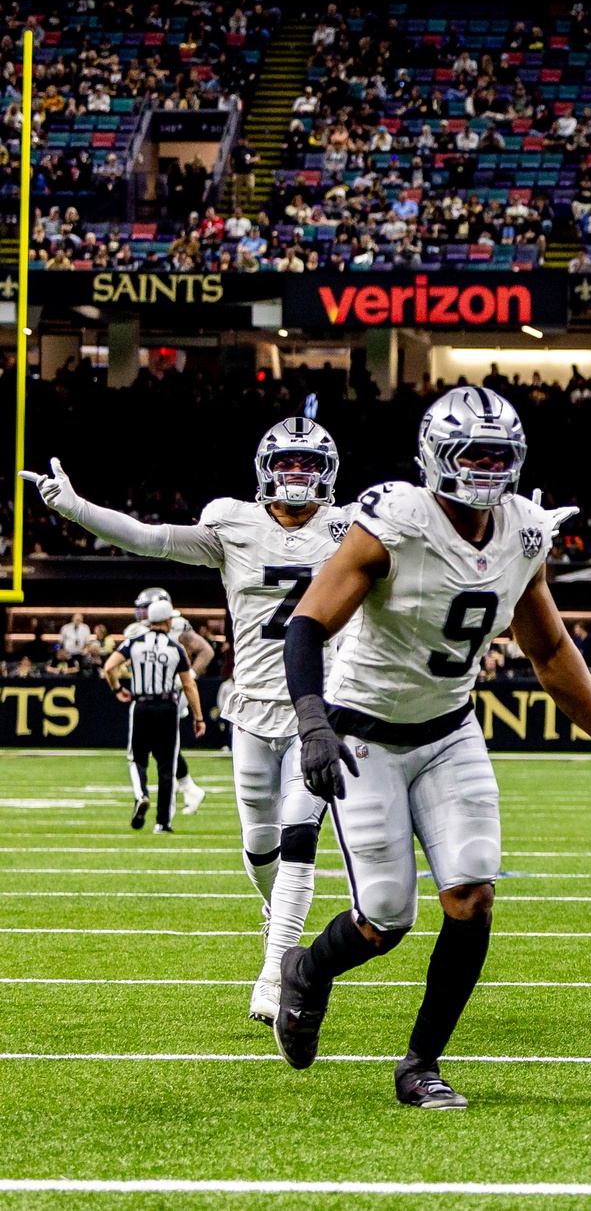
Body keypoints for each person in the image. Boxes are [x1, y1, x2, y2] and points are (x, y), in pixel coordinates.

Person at [274, 387, 591, 1107]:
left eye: (498, 456)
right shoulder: (393, 520)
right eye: (471, 454)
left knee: (472, 897)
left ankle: (420, 1063)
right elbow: (307, 623)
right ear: (435, 455)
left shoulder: (524, 531)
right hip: (364, 732)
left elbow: (549, 647)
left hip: (448, 728)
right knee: (385, 918)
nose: (484, 469)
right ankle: (308, 970)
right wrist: (313, 721)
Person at [23, 419, 349, 1023]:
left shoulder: (349, 527)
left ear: (327, 471)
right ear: (266, 469)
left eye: (308, 464)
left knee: (299, 840)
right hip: (251, 709)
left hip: (317, 710)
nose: (297, 475)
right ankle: (275, 913)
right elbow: (149, 539)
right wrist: (74, 507)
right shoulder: (234, 524)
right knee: (260, 846)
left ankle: (275, 976)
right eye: (288, 463)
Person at [103, 598, 207, 833]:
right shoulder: (175, 648)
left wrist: (117, 689)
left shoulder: (134, 642)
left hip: (141, 705)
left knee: (137, 759)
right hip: (167, 708)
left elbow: (109, 667)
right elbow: (188, 684)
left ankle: (141, 795)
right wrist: (198, 717)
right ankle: (163, 822)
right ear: (168, 620)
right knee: (167, 766)